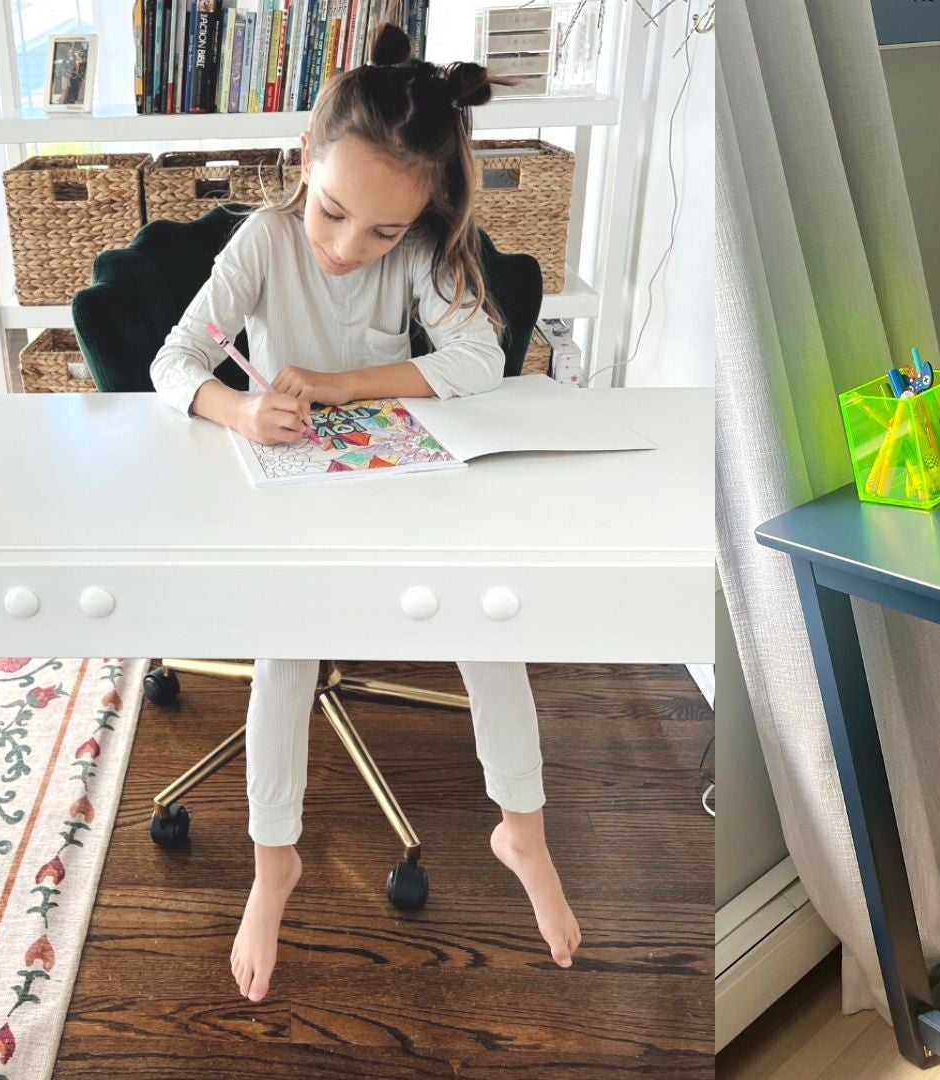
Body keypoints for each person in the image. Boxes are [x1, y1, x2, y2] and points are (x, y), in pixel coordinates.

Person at [149, 20, 580, 1004]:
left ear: (421, 215)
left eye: (382, 231)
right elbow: (172, 364)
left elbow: (478, 361)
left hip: (401, 496)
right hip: (292, 502)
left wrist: (347, 384)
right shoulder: (262, 241)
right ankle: (274, 865)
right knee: (284, 649)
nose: (348, 249)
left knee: (491, 616)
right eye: (334, 212)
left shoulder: (421, 252)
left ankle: (523, 829)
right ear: (306, 159)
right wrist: (242, 409)